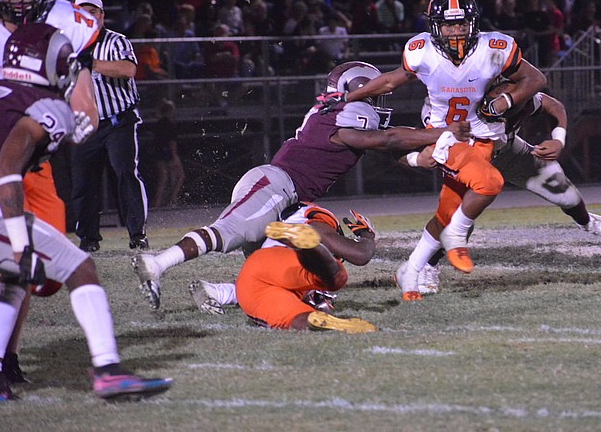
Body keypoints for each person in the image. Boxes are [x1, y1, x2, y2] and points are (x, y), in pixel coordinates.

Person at [133, 61, 471, 310]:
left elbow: (380, 146)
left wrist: (418, 159)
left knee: (293, 271)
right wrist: (441, 132)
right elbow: (387, 139)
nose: (376, 102)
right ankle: (157, 264)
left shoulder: (340, 118)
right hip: (277, 186)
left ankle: (217, 293)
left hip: (288, 198)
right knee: (229, 232)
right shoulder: (345, 115)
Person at [0, 23, 171, 402]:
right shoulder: (45, 107)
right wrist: (22, 246)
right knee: (78, 265)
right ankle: (107, 370)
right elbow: (5, 172)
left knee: (11, 275)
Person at [345, 0, 547, 285]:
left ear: (473, 23)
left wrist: (508, 100)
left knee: (451, 205)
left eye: (461, 23)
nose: (456, 31)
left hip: (482, 133)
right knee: (484, 186)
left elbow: (536, 79)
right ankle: (441, 250)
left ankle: (415, 268)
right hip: (441, 132)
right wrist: (348, 98)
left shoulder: (494, 47)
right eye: (449, 24)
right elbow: (389, 81)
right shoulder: (421, 51)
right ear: (435, 26)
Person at [0, 0, 101, 383]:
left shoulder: (64, 22)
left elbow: (83, 94)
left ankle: (3, 357)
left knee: (38, 266)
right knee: (8, 258)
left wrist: (78, 121)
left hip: (30, 161)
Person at [401, 89, 601, 298]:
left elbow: (554, 106)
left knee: (562, 189)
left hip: (509, 151)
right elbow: (413, 139)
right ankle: (429, 265)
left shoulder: (515, 95)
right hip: (468, 159)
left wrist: (558, 140)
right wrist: (418, 158)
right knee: (455, 220)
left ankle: (588, 222)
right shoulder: (452, 100)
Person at [189, 203, 377, 334]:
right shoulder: (318, 219)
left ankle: (216, 291)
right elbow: (360, 255)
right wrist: (367, 236)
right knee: (336, 278)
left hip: (251, 283)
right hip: (278, 263)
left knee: (301, 320)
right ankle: (305, 247)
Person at [71, 0, 150, 252]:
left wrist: (90, 63)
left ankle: (137, 234)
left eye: (93, 11)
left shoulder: (116, 41)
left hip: (119, 121)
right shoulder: (67, 44)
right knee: (84, 182)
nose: (88, 16)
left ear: (102, 15)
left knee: (125, 172)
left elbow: (128, 69)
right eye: (82, 11)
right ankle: (88, 238)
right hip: (85, 124)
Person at [151, 99, 184, 208]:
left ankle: (158, 201)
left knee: (163, 177)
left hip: (158, 152)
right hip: (168, 153)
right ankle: (173, 199)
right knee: (180, 175)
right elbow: (172, 141)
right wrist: (174, 156)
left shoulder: (158, 123)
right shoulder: (170, 124)